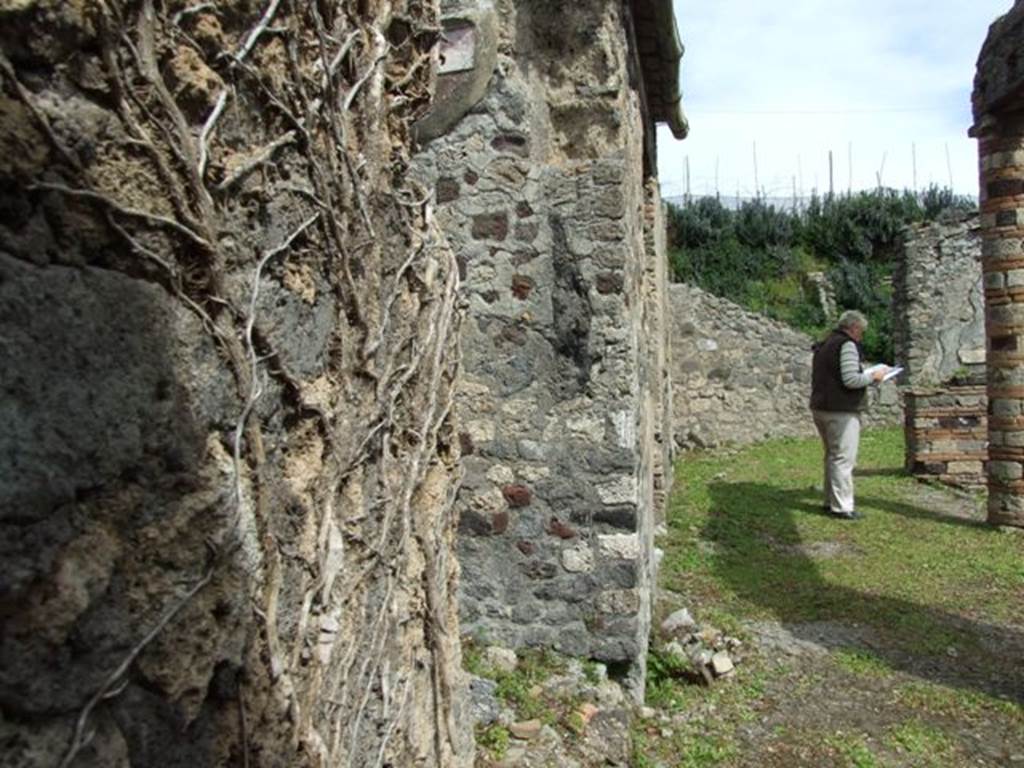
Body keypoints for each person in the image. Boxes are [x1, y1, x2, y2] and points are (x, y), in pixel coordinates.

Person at [810, 310, 887, 520]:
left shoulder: (825, 343)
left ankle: (830, 501)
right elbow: (851, 380)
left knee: (832, 456)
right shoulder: (847, 345)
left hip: (821, 407)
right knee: (843, 458)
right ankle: (843, 506)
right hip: (840, 409)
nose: (861, 336)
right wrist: (874, 376)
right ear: (853, 328)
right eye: (860, 331)